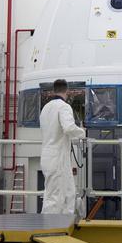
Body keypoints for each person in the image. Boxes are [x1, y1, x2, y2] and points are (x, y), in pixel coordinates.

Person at [39, 79, 85, 216]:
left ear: (54, 90)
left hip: (51, 156)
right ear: (67, 91)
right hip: (57, 158)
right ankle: (50, 230)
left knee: (68, 192)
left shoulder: (45, 108)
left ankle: (64, 223)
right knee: (55, 197)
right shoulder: (63, 107)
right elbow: (69, 128)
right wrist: (82, 132)